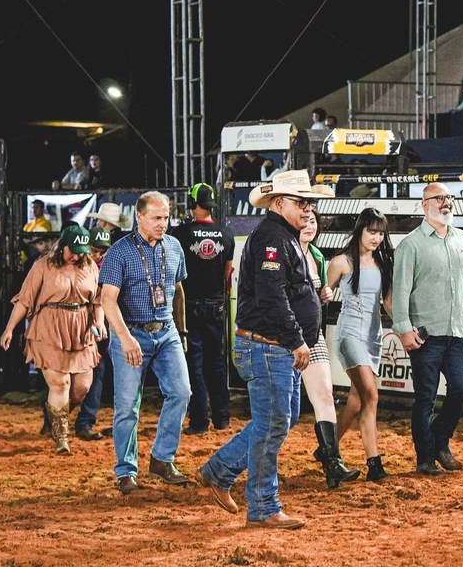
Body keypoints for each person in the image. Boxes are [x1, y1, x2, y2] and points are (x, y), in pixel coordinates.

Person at [194, 170, 331, 529]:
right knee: (274, 422)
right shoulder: (273, 238)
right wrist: (297, 339)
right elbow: (272, 297)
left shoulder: (280, 236)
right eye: (301, 202)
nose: (308, 208)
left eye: (310, 203)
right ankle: (262, 506)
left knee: (277, 420)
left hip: (272, 346)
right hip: (269, 346)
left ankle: (220, 471)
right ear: (280, 203)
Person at [392, 182, 463, 476]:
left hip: (457, 332)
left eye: (449, 197)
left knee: (461, 389)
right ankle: (425, 457)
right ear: (424, 205)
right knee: (425, 397)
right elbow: (400, 291)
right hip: (425, 335)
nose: (446, 202)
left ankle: (439, 440)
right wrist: (403, 329)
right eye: (439, 198)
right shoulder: (411, 245)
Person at [99, 191, 192, 495]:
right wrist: (125, 338)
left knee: (181, 392)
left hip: (167, 332)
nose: (163, 223)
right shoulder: (119, 251)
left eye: (166, 217)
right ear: (139, 217)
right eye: (156, 218)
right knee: (127, 405)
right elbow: (107, 300)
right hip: (131, 331)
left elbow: (178, 290)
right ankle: (126, 471)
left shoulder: (174, 246)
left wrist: (182, 331)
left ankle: (162, 459)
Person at [0, 225, 104, 454]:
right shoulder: (43, 266)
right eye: (72, 251)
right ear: (62, 246)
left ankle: (54, 415)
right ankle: (61, 438)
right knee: (60, 384)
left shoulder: (90, 267)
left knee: (82, 387)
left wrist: (100, 322)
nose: (76, 256)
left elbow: (97, 301)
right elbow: (25, 300)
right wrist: (9, 329)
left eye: (81, 252)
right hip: (49, 326)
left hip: (81, 329)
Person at [297, 197, 362, 489]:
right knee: (283, 413)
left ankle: (333, 462)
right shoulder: (288, 251)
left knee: (324, 394)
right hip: (284, 339)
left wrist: (324, 295)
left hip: (312, 335)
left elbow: (318, 295)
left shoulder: (317, 256)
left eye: (313, 221)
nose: (310, 225)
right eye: (305, 220)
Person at [328, 207, 394, 482]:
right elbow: (323, 295)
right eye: (372, 231)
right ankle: (374, 464)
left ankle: (327, 448)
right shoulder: (341, 262)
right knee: (371, 395)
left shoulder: (384, 262)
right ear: (360, 230)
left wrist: (405, 327)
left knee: (356, 402)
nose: (376, 238)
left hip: (373, 336)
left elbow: (388, 303)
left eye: (381, 233)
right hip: (349, 334)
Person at [171, 183, 235, 436]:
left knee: (194, 362)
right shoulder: (226, 234)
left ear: (192, 203)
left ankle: (199, 420)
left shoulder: (180, 233)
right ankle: (222, 418)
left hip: (189, 305)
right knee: (216, 362)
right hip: (216, 305)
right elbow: (227, 272)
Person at [73, 226, 114, 441]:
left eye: (102, 251)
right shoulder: (73, 265)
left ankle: (85, 422)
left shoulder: (111, 266)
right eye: (94, 250)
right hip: (74, 325)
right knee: (66, 375)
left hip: (101, 328)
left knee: (98, 371)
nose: (98, 255)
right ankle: (53, 416)